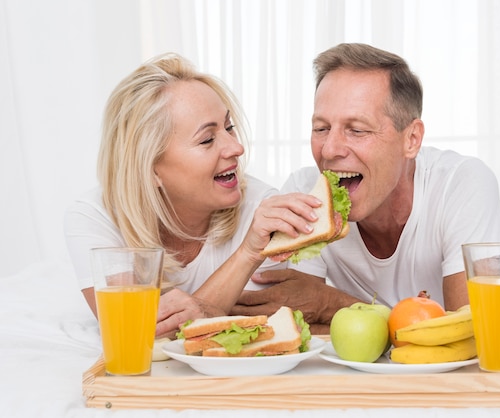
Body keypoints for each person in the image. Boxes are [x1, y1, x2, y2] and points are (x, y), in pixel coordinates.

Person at [233, 43, 500, 333]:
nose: (329, 149)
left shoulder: (462, 185)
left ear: (412, 139)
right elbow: (300, 328)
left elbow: (477, 332)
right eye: (321, 128)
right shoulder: (304, 192)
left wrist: (333, 304)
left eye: (357, 129)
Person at [64, 53, 320, 338]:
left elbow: (237, 333)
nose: (236, 148)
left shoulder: (262, 211)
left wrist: (250, 251)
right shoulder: (95, 217)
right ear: (150, 169)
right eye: (207, 139)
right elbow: (133, 335)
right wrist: (246, 253)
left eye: (229, 127)